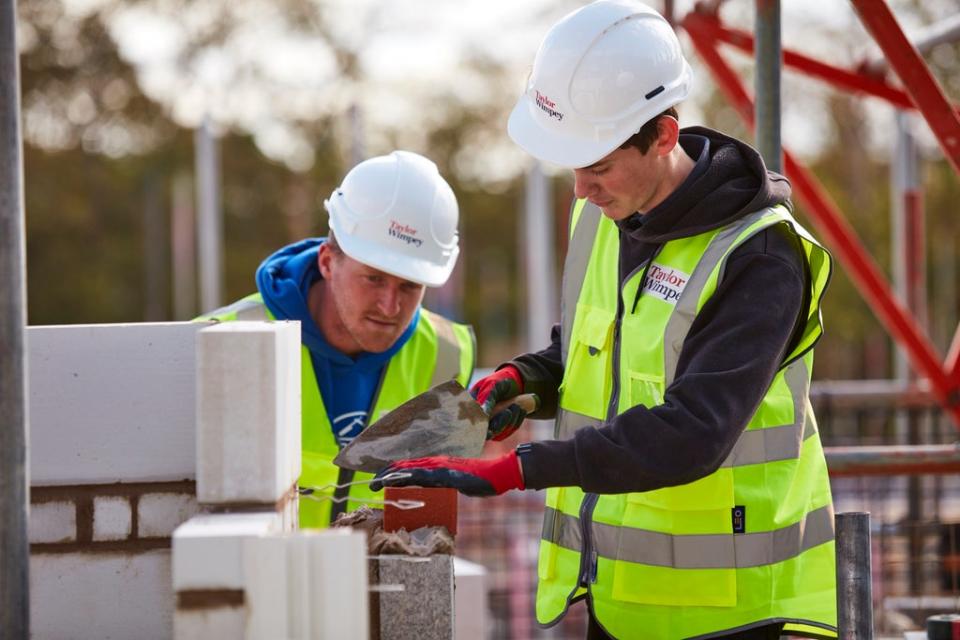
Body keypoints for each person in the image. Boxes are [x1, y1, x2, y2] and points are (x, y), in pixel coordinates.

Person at [371, 2, 837, 639]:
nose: (581, 190)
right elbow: (593, 355)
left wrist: (520, 469)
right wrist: (522, 377)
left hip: (739, 611)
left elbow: (695, 431)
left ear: (664, 136)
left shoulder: (760, 255)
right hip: (621, 603)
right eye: (574, 166)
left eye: (597, 166)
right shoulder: (604, 215)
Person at [199, 150, 475, 528]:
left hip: (381, 586)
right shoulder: (218, 340)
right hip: (256, 581)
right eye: (374, 279)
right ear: (328, 261)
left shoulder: (448, 355)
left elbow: (428, 522)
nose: (390, 306)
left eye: (409, 286)